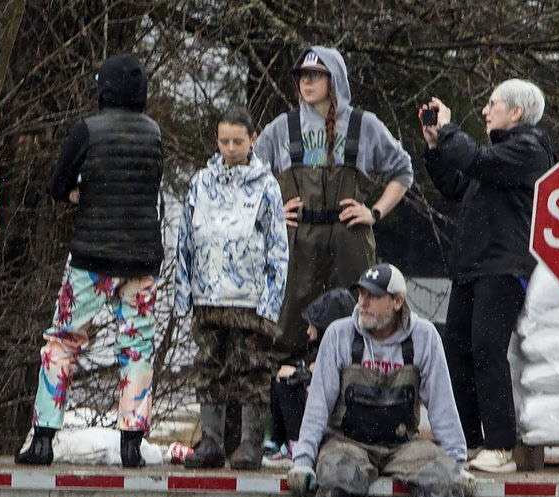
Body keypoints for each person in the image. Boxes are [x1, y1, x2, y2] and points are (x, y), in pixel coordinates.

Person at [286, 263, 467, 497]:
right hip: (348, 442)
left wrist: (457, 464)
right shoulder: (339, 334)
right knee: (334, 483)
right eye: (361, 295)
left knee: (444, 485)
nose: (363, 303)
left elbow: (443, 406)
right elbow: (318, 406)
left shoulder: (424, 336)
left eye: (373, 297)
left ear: (397, 302)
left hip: (404, 445)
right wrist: (303, 461)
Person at [14, 54, 164, 468]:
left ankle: (44, 439)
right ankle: (131, 443)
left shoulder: (87, 130)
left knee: (64, 341)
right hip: (141, 258)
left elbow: (57, 184)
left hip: (92, 257)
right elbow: (150, 184)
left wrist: (80, 194)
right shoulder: (153, 133)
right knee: (137, 347)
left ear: (105, 89)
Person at [420, 80, 554, 474]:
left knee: (487, 350)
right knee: (456, 351)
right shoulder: (494, 157)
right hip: (472, 268)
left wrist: (448, 129)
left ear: (516, 112)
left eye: (492, 103)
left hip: (503, 267)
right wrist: (435, 147)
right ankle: (469, 440)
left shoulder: (529, 149)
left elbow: (474, 160)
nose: (484, 110)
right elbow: (455, 184)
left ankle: (500, 446)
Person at [252, 46, 414, 367]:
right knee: (288, 332)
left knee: (359, 324)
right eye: (302, 76)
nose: (306, 82)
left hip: (349, 239)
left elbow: (403, 171)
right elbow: (248, 178)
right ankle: (290, 392)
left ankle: (357, 391)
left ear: (334, 79)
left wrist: (374, 212)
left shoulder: (364, 125)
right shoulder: (282, 127)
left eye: (315, 75)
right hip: (297, 242)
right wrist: (270, 214)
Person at [174, 107, 290, 470]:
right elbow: (185, 238)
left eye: (237, 141)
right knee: (210, 366)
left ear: (253, 139)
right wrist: (184, 292)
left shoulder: (266, 185)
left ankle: (250, 444)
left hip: (251, 298)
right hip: (208, 294)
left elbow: (278, 246)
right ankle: (211, 441)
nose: (230, 148)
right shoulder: (201, 182)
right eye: (224, 141)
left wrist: (271, 300)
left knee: (252, 369)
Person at [267, 287, 356, 464]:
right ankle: (279, 440)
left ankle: (296, 442)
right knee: (284, 379)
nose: (308, 331)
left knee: (287, 383)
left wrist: (299, 374)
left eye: (312, 325)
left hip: (340, 421)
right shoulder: (319, 348)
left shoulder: (344, 349)